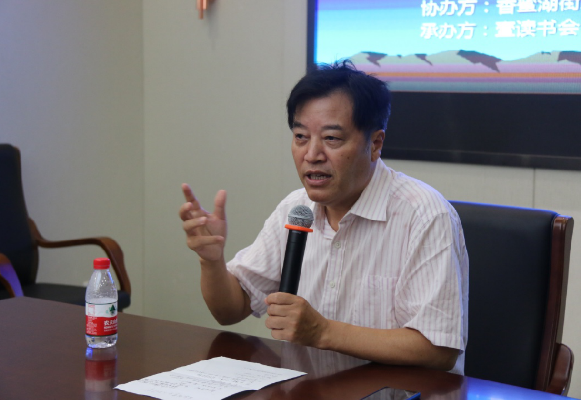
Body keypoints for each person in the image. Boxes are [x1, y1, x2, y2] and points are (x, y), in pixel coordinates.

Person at [180, 61, 469, 374]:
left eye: (331, 138)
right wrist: (211, 261)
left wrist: (322, 332)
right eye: (301, 136)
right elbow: (230, 310)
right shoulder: (295, 209)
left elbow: (437, 349)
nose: (312, 154)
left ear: (375, 144)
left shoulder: (425, 215)